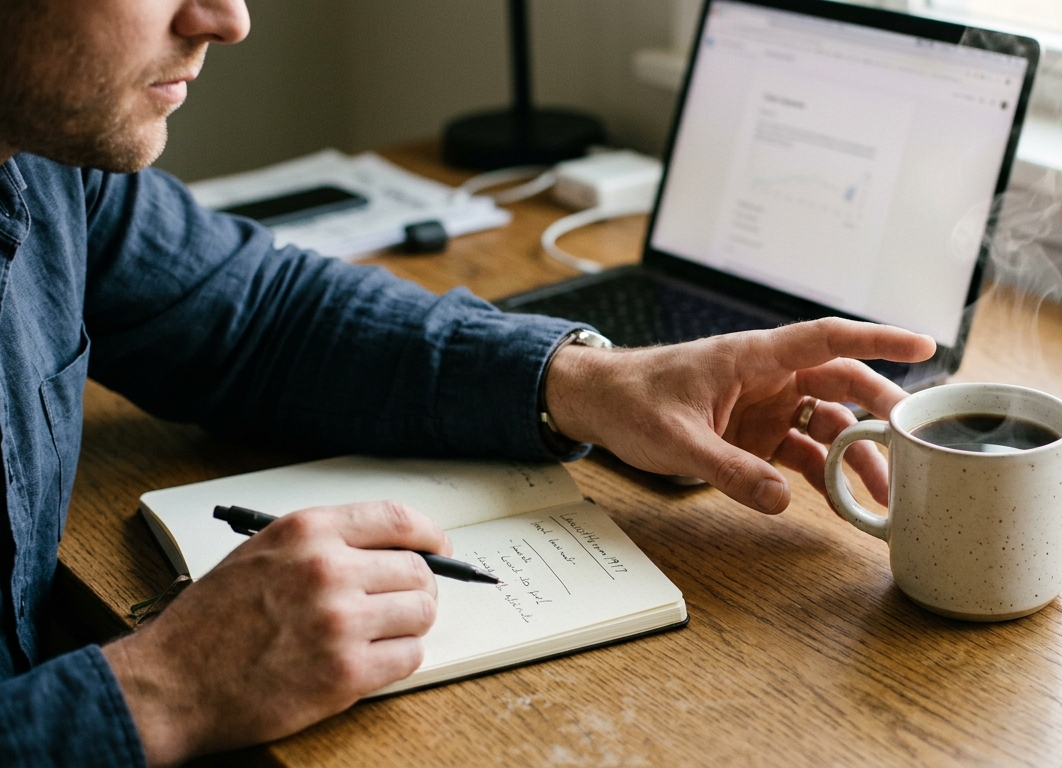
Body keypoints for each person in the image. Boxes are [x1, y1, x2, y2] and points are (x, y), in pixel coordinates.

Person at [0, 1, 936, 765]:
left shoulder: (46, 163)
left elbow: (256, 312)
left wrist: (588, 381)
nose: (228, 17)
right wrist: (163, 690)